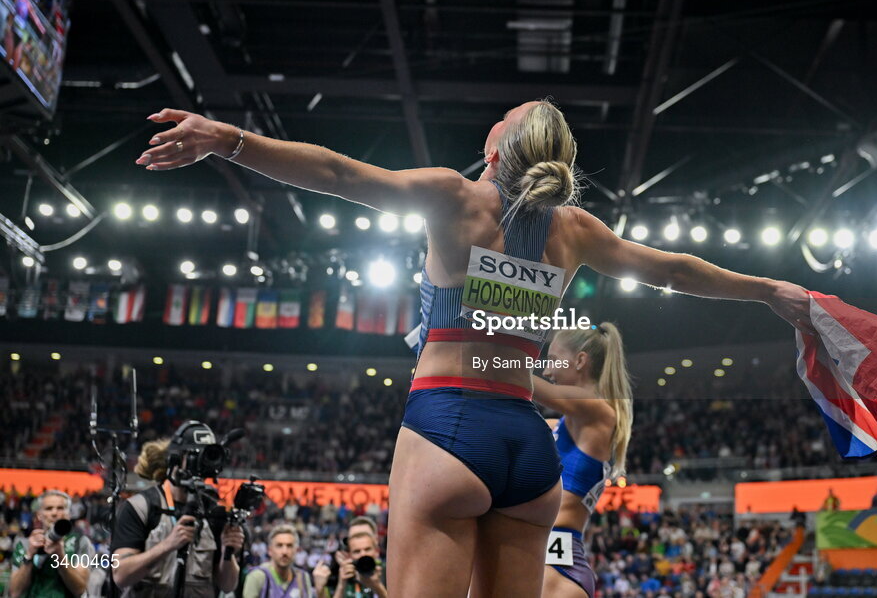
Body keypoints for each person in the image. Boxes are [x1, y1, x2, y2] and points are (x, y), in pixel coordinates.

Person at [136, 100, 812, 596]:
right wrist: (767, 291)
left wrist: (228, 139)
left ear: (495, 152)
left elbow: (339, 175)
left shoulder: (453, 197)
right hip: (527, 450)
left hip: (447, 430)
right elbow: (674, 269)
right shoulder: (573, 231)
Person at [530, 323, 632, 598]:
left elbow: (522, 383)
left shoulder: (601, 412)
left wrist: (475, 353)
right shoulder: (555, 426)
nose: (547, 371)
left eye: (552, 360)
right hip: (540, 556)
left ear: (580, 361)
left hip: (558, 569)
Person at [111, 424, 245, 597]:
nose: (201, 465)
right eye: (195, 455)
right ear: (175, 458)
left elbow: (227, 585)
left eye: (207, 457)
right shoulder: (140, 507)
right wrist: (167, 545)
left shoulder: (213, 512)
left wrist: (228, 553)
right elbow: (121, 575)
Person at [8, 490, 92, 598]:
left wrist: (60, 557)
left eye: (60, 508)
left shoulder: (79, 542)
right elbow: (15, 592)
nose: (54, 513)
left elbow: (80, 589)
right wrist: (29, 555)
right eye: (49, 508)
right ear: (39, 515)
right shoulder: (25, 544)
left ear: (69, 514)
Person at [242, 524, 329, 598]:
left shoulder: (302, 577)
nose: (284, 551)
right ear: (270, 550)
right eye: (279, 545)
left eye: (289, 546)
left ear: (296, 550)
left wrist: (320, 590)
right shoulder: (257, 576)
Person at [332, 531, 386, 598]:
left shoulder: (386, 572)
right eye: (357, 551)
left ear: (376, 551)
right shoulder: (345, 576)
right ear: (349, 555)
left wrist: (378, 587)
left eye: (367, 549)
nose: (363, 554)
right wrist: (341, 586)